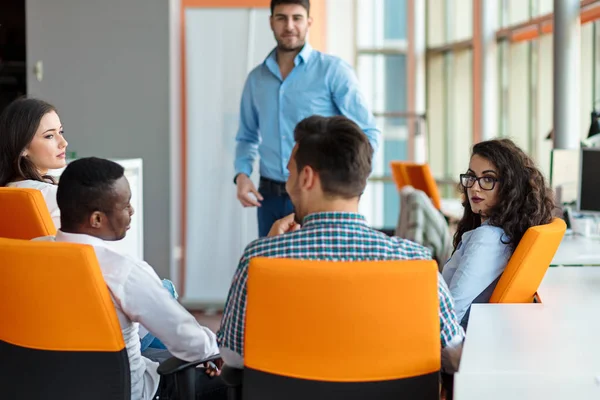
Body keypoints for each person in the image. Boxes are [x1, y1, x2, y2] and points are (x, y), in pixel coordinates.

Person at [219, 115, 464, 377]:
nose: (287, 184)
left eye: (289, 172)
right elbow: (455, 354)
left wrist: (270, 255)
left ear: (307, 178)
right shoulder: (415, 262)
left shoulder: (260, 257)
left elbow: (233, 355)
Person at [47, 157, 227, 400]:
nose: (131, 211)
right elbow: (188, 340)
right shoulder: (123, 272)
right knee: (237, 378)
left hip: (53, 386)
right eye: (125, 205)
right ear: (97, 219)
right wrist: (215, 352)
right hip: (131, 392)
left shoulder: (29, 255)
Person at [234, 0, 381, 237]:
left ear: (309, 22)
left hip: (319, 195)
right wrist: (241, 174)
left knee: (316, 271)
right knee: (269, 269)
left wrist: (352, 184)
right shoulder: (256, 79)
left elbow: (368, 133)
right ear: (271, 22)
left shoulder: (333, 72)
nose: (289, 26)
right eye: (281, 18)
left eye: (297, 18)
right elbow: (247, 136)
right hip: (269, 195)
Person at [442, 138, 555, 327]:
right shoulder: (506, 232)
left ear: (509, 187)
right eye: (472, 177)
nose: (475, 187)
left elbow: (450, 314)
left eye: (488, 179)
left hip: (453, 344)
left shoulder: (487, 239)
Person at [0, 97, 67, 228]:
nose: (64, 143)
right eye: (49, 136)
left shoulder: (7, 191)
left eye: (61, 132)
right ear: (23, 147)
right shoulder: (53, 195)